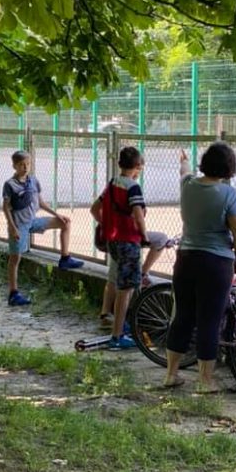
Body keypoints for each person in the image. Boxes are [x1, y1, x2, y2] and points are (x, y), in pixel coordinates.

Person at [164, 142, 236, 392]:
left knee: (183, 316)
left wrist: (184, 161)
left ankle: (170, 374)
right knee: (209, 320)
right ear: (229, 167)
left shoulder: (188, 186)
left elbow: (184, 173)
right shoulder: (229, 195)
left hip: (186, 256)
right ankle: (204, 380)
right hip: (216, 261)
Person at [2, 150, 84, 307]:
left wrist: (56, 214)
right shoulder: (10, 184)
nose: (25, 167)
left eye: (28, 164)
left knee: (65, 223)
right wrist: (13, 228)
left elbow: (40, 202)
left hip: (33, 221)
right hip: (19, 226)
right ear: (14, 166)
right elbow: (6, 208)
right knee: (15, 259)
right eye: (21, 165)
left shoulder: (33, 180)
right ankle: (13, 293)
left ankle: (65, 258)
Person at [90, 146, 148, 349]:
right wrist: (144, 236)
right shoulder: (132, 187)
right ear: (138, 166)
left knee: (119, 283)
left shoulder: (113, 183)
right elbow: (139, 216)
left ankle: (118, 325)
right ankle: (118, 335)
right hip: (129, 241)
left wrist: (105, 224)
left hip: (113, 240)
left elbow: (94, 209)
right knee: (126, 289)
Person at [96, 230, 177, 331]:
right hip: (126, 236)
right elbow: (137, 219)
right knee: (126, 286)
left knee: (114, 275)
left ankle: (107, 316)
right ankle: (118, 330)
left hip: (114, 234)